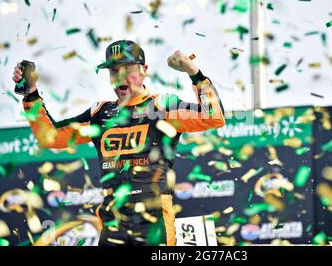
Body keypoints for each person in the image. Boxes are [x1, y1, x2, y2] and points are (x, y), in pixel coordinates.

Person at [12, 40, 226, 246]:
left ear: (144, 70)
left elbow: (214, 116)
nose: (120, 77)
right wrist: (31, 95)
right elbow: (49, 136)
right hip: (113, 223)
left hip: (153, 223)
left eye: (127, 69)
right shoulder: (100, 113)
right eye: (114, 71)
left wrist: (193, 72)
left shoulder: (162, 106)